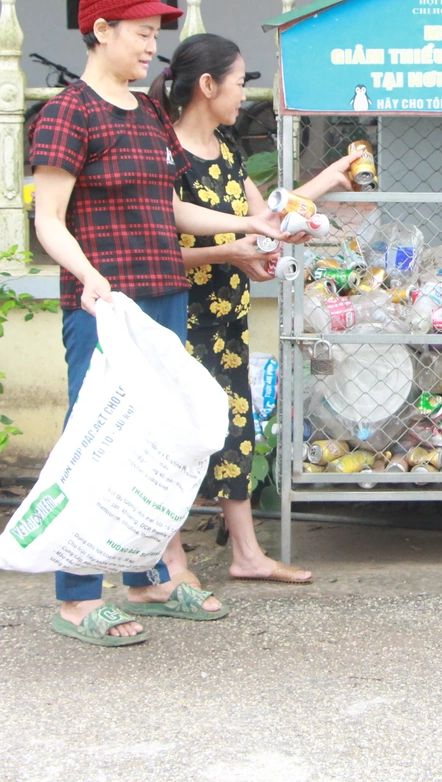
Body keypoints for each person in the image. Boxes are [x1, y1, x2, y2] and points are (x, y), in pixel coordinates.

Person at [30, 0, 293, 647]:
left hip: (166, 298)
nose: (153, 46)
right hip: (104, 308)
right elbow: (48, 220)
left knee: (154, 444)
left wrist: (248, 223)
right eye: (141, 32)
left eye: (155, 33)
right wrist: (88, 277)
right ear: (101, 30)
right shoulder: (68, 114)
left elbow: (168, 206)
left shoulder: (147, 113)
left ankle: (147, 579)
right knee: (98, 442)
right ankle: (77, 599)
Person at [151, 32, 355, 586]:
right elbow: (158, 247)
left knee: (235, 427)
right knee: (175, 436)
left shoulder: (225, 150)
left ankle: (246, 554)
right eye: (239, 83)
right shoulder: (163, 153)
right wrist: (231, 252)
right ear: (207, 85)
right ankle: (170, 561)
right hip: (178, 318)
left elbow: (266, 222)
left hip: (226, 321)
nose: (244, 95)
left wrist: (322, 190)